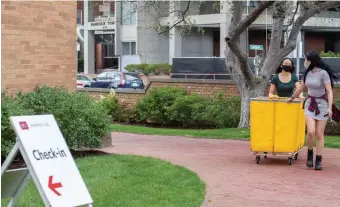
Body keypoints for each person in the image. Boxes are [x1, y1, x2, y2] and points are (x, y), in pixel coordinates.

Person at [288, 51, 339, 170]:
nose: (305, 61)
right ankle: (310, 155)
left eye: (306, 59)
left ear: (312, 61)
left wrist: (329, 107)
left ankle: (319, 159)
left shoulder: (323, 73)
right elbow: (301, 88)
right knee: (310, 132)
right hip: (310, 104)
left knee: (319, 134)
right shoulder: (307, 73)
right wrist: (292, 97)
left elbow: (330, 91)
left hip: (323, 105)